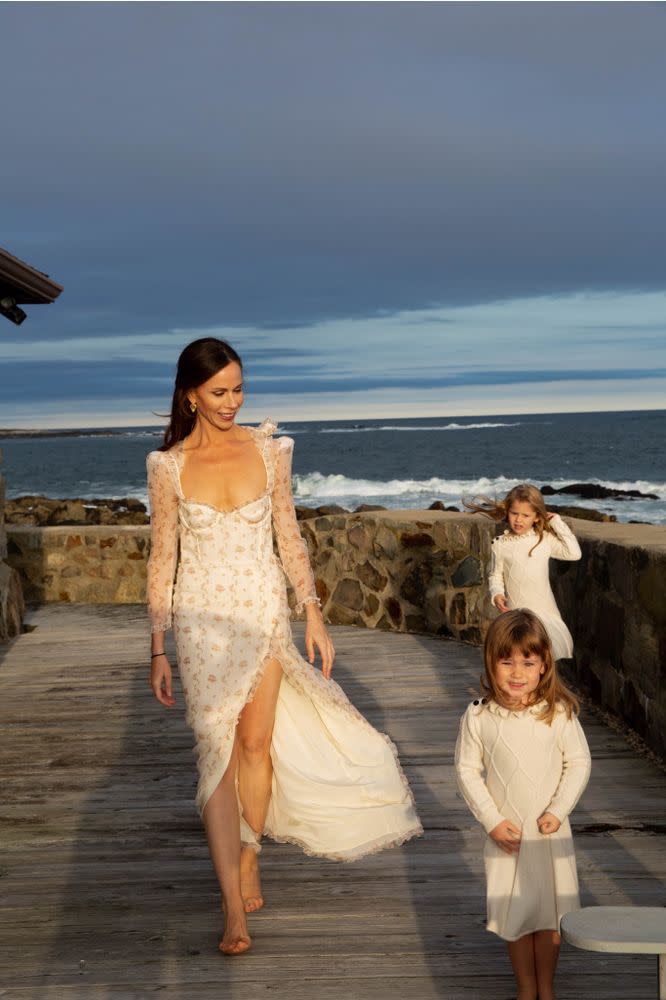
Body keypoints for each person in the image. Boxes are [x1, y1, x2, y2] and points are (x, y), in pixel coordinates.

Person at [146, 338, 422, 956]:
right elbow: (162, 555)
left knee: (253, 744)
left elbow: (289, 536)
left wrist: (314, 614)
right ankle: (229, 907)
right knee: (213, 755)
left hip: (263, 613)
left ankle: (250, 851)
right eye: (219, 392)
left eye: (239, 388)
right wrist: (157, 646)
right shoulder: (166, 466)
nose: (232, 402)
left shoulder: (270, 451)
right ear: (190, 394)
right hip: (199, 622)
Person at [455, 609, 591, 1000]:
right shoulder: (480, 716)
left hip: (550, 835)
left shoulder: (558, 713)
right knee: (517, 915)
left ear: (544, 664)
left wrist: (558, 810)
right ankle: (525, 989)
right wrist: (492, 821)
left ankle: (546, 989)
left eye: (528, 662)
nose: (517, 672)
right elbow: (466, 771)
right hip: (507, 837)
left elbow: (578, 762)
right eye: (507, 661)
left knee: (549, 916)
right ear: (490, 663)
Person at [464, 484, 581, 659]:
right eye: (514, 513)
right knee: (517, 657)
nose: (519, 520)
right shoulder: (501, 544)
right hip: (516, 616)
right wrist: (496, 593)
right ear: (507, 511)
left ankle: (541, 687)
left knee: (543, 660)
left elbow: (574, 553)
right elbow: (495, 575)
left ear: (536, 517)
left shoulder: (544, 540)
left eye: (526, 515)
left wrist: (557, 522)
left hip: (544, 614)